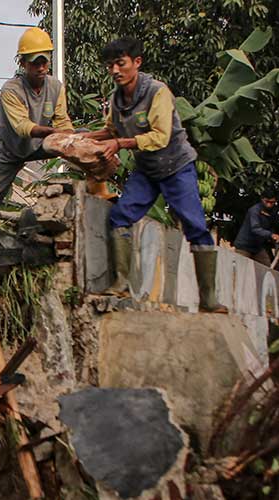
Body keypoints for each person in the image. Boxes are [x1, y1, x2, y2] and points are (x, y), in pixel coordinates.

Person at [84, 37, 226, 313]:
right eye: (110, 65)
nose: (115, 70)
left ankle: (209, 299)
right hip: (148, 171)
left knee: (196, 227)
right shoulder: (115, 98)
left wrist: (119, 144)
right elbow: (112, 131)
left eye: (120, 63)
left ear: (137, 63)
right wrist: (80, 137)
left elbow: (160, 137)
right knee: (120, 217)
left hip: (176, 167)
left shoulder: (157, 92)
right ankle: (121, 283)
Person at [0, 27, 73, 210]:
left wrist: (71, 138)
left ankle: (95, 188)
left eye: (44, 63)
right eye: (34, 63)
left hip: (39, 145)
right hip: (9, 150)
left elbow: (62, 120)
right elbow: (23, 126)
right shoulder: (11, 90)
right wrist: (55, 133)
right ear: (23, 63)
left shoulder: (55, 86)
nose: (40, 68)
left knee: (84, 137)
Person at [234, 188, 279, 265]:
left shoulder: (273, 212)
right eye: (267, 201)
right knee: (240, 269)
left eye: (271, 202)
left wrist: (274, 237)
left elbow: (272, 227)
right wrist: (270, 235)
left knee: (266, 268)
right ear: (262, 199)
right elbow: (255, 229)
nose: (269, 205)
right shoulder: (254, 210)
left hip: (258, 247)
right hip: (244, 246)